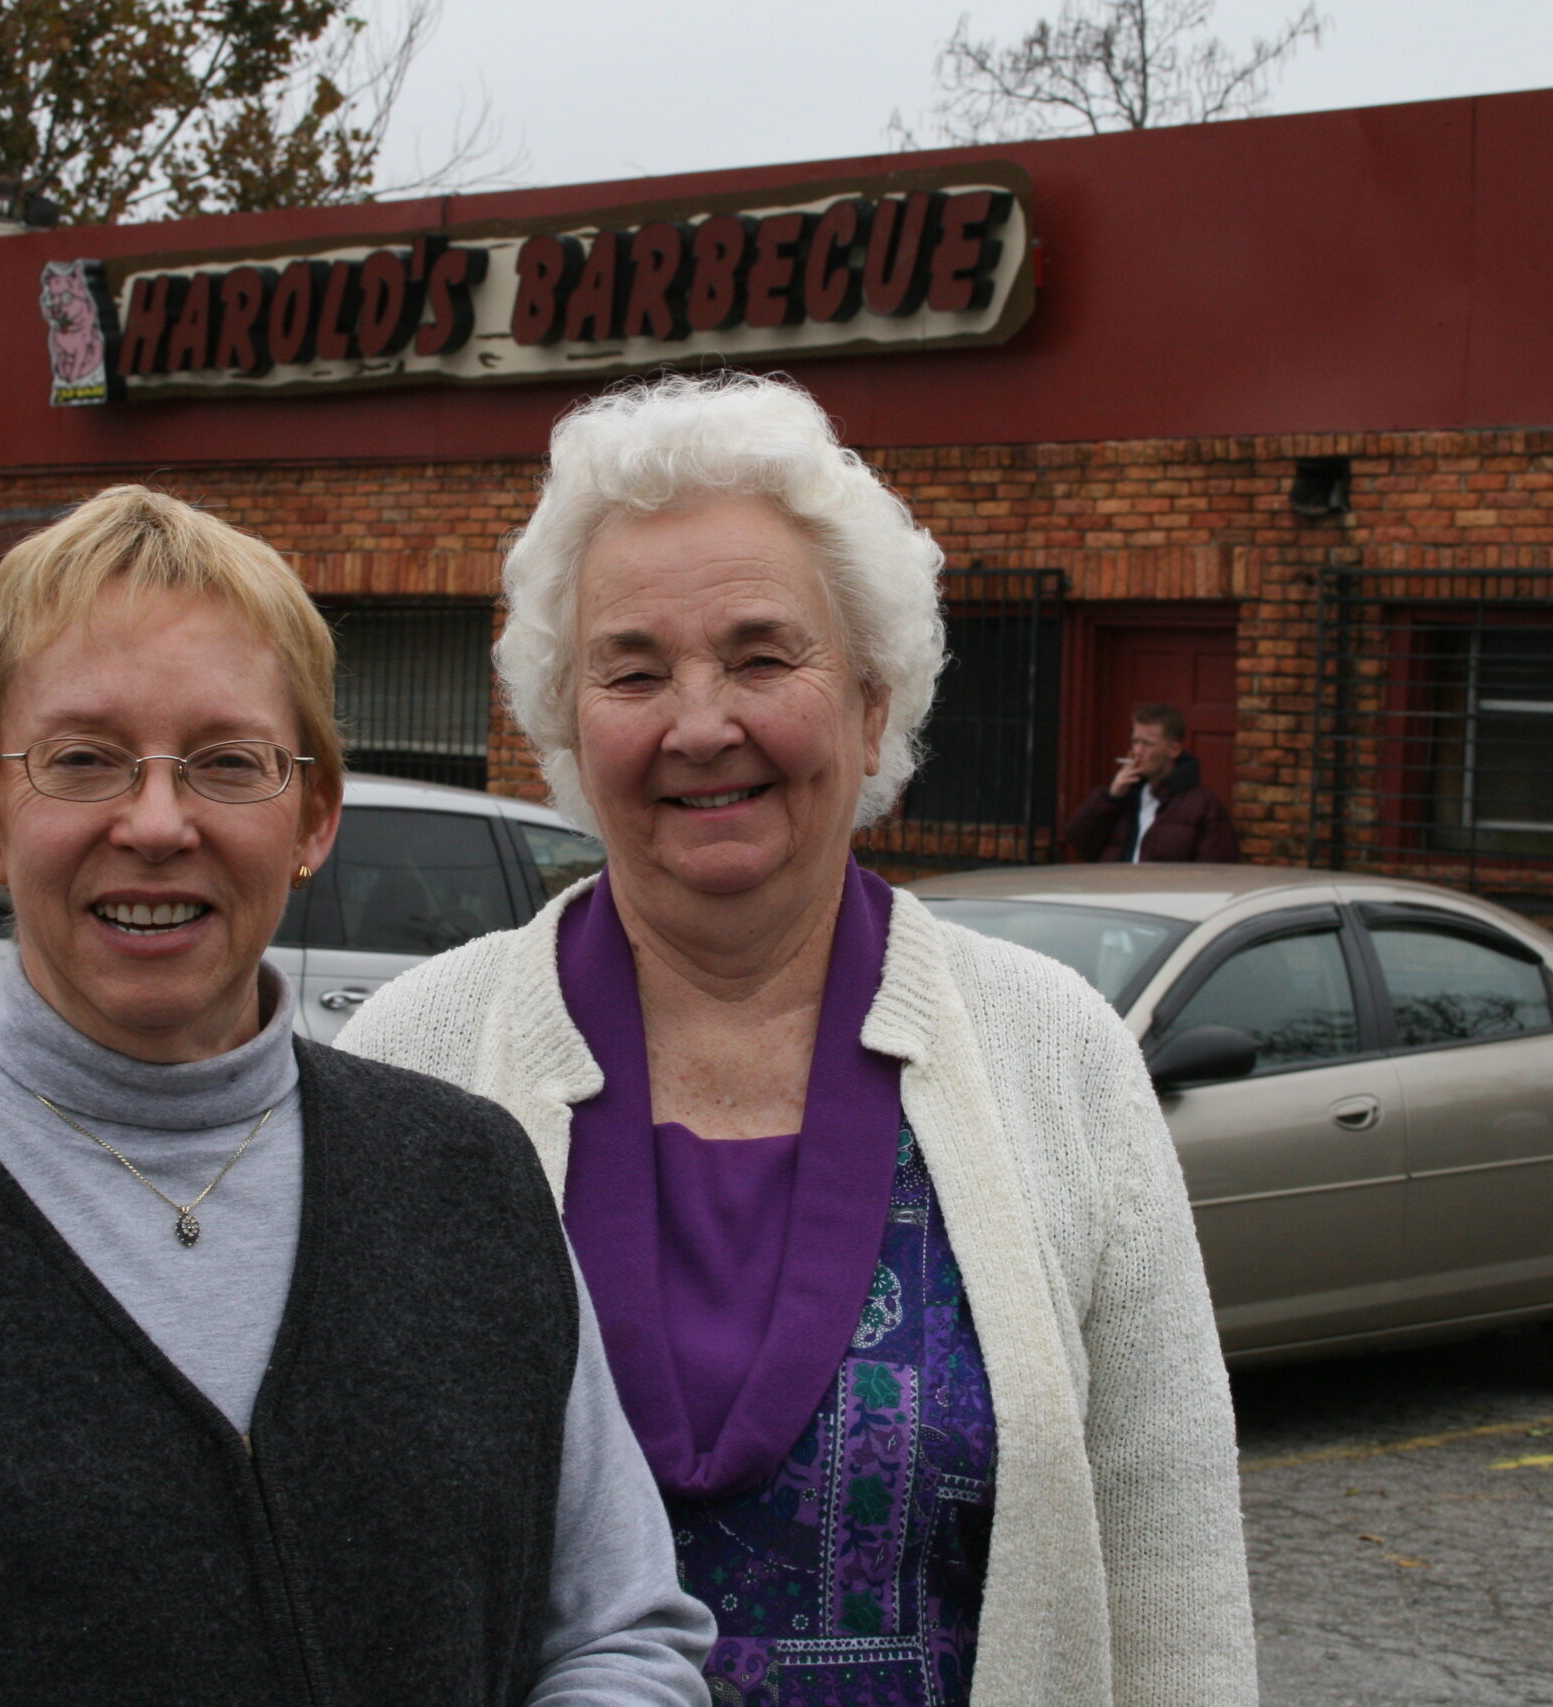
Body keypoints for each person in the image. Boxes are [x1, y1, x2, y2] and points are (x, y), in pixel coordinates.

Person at [0, 486, 715, 1703]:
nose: (155, 821)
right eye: (82, 760)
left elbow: (618, 1631)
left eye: (227, 762)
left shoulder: (468, 1179)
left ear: (313, 816)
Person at [341, 375, 1257, 1706]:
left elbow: (1173, 1593)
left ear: (874, 702)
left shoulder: (1060, 1055)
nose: (701, 722)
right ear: (565, 720)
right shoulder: (412, 1053)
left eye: (763, 655)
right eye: (634, 667)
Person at [1064, 702, 1239, 863]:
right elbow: (1079, 841)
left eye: (1147, 744)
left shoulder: (1202, 805)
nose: (1138, 751)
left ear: (1174, 749)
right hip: (1116, 892)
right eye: (1135, 742)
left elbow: (1214, 872)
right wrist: (1110, 797)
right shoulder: (1125, 794)